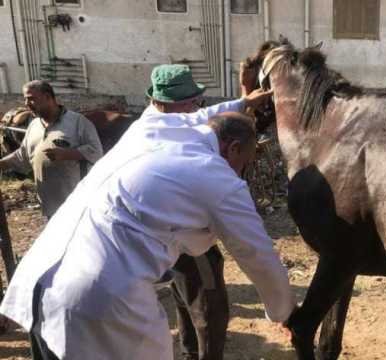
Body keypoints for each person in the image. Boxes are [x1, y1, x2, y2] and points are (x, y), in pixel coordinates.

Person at [0, 65, 296, 360]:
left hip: (38, 277)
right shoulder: (217, 177)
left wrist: (242, 103)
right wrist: (284, 312)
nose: (240, 172)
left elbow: (195, 117)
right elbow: (257, 255)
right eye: (243, 163)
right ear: (232, 149)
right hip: (92, 304)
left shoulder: (148, 128)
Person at [0, 80, 103, 218]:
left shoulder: (78, 122)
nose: (26, 104)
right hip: (49, 206)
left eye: (31, 99)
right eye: (25, 99)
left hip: (77, 204)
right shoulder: (34, 126)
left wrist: (67, 154)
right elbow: (22, 156)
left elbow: (97, 152)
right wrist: (2, 164)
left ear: (48, 97)